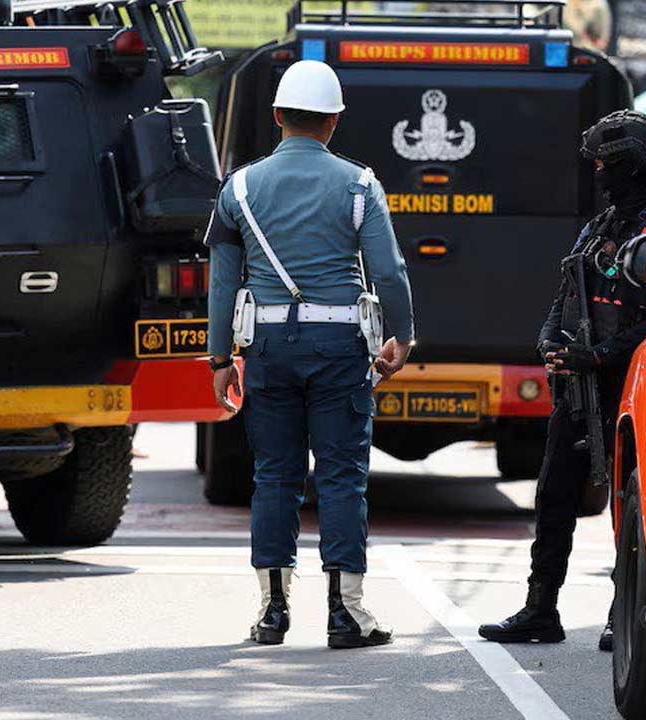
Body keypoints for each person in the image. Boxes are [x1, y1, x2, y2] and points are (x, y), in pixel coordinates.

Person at [204, 60, 415, 649]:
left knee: (274, 475)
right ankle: (346, 613)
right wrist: (404, 333)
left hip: (267, 347)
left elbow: (222, 282)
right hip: (340, 347)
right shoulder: (359, 184)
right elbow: (390, 271)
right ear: (333, 121)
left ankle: (272, 612)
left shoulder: (239, 188)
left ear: (277, 117)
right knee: (343, 476)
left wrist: (220, 359)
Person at [478, 110, 646, 650]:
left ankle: (625, 612)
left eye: (604, 164)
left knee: (627, 505)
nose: (597, 173)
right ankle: (540, 608)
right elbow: (565, 293)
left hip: (630, 392)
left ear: (628, 167)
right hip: (578, 389)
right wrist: (550, 340)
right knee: (553, 498)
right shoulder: (597, 228)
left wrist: (601, 355)